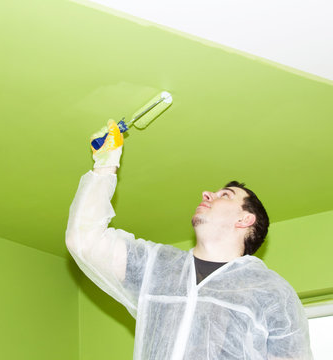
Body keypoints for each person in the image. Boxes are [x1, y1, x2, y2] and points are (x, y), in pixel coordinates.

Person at [66, 120, 312, 360]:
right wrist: (105, 165)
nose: (207, 193)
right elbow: (85, 240)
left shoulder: (271, 292)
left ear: (245, 219)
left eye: (225, 195)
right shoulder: (156, 267)